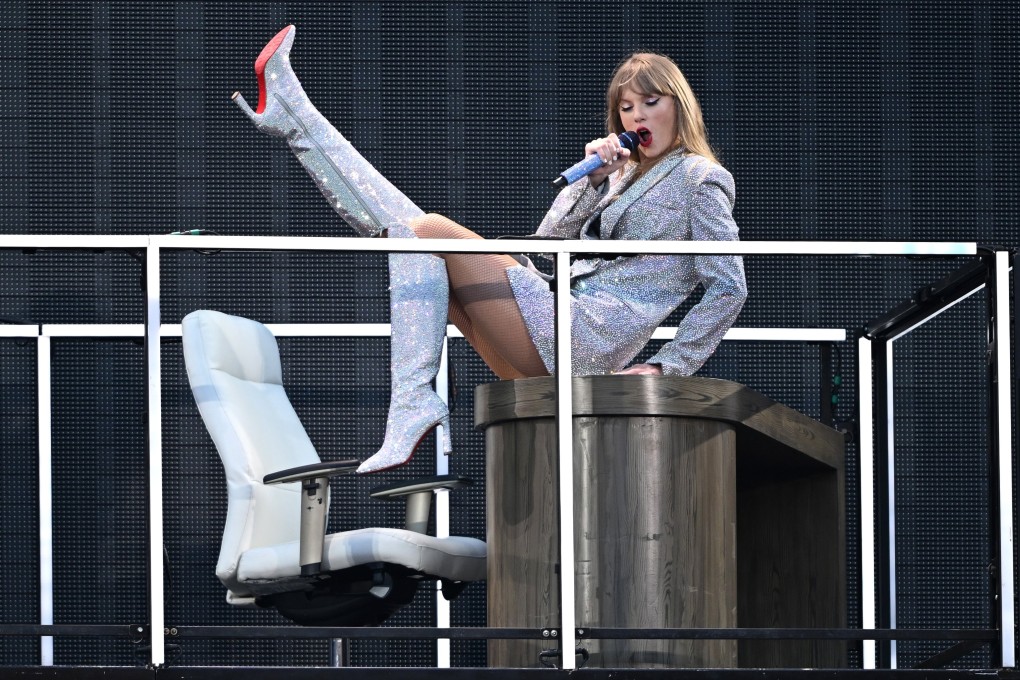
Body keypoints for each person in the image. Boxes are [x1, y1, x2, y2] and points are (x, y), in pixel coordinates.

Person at [232, 26, 747, 474]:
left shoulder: (700, 179)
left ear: (680, 104)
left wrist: (666, 366)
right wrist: (592, 180)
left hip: (587, 335)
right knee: (407, 233)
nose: (636, 116)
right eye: (626, 107)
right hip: (552, 318)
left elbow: (729, 287)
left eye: (650, 102)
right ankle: (293, 118)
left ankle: (412, 400)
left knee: (428, 228)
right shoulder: (618, 177)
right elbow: (546, 245)